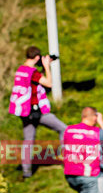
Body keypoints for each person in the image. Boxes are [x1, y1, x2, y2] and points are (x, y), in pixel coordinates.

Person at [8, 45, 67, 178]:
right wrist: (47, 66)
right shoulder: (33, 72)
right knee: (63, 128)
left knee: (28, 140)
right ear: (37, 57)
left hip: (24, 111)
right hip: (36, 111)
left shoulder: (21, 69)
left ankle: (26, 172)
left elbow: (32, 81)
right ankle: (67, 159)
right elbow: (48, 83)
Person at [61, 107, 103, 193]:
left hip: (70, 175)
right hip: (89, 176)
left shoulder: (68, 130)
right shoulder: (96, 132)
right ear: (95, 117)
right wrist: (101, 122)